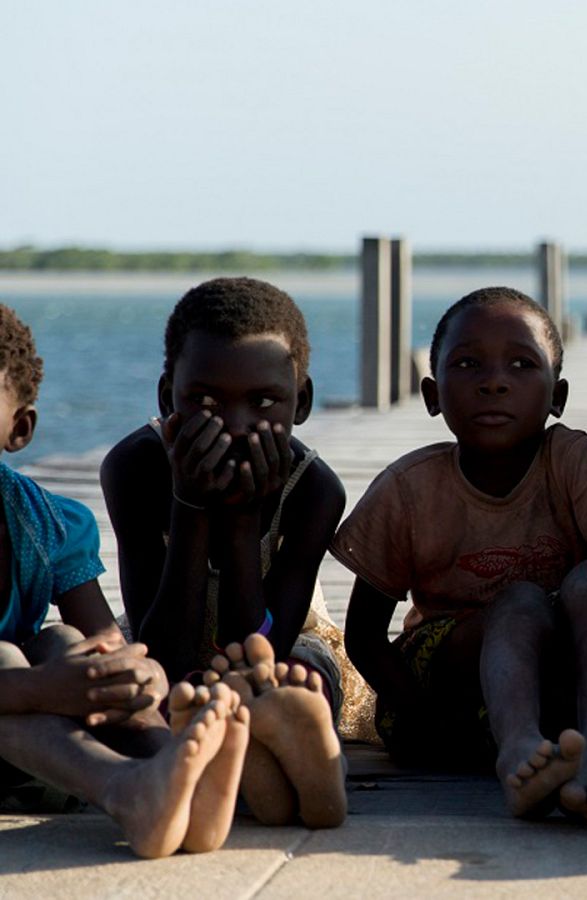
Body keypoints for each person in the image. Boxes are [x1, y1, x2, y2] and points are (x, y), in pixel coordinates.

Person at [335, 287, 587, 827]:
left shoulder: (570, 461)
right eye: (468, 365)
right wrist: (426, 716)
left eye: (521, 365)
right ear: (432, 395)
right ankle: (518, 751)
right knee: (519, 602)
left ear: (557, 396)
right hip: (444, 699)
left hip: (568, 693)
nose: (494, 382)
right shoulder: (410, 488)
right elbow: (364, 636)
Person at [0, 302, 249, 857]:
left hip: (39, 759)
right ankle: (129, 791)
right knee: (7, 660)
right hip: (25, 728)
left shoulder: (45, 523)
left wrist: (137, 676)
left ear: (19, 428)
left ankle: (173, 777)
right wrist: (34, 689)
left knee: (67, 644)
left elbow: (108, 642)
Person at [100, 277, 348, 829]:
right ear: (168, 397)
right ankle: (257, 772)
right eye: (206, 401)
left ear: (300, 401)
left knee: (302, 677)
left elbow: (261, 646)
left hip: (278, 637)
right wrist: (189, 503)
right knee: (136, 690)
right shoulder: (135, 469)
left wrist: (239, 523)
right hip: (162, 632)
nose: (236, 426)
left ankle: (277, 753)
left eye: (263, 402)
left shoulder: (313, 491)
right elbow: (161, 646)